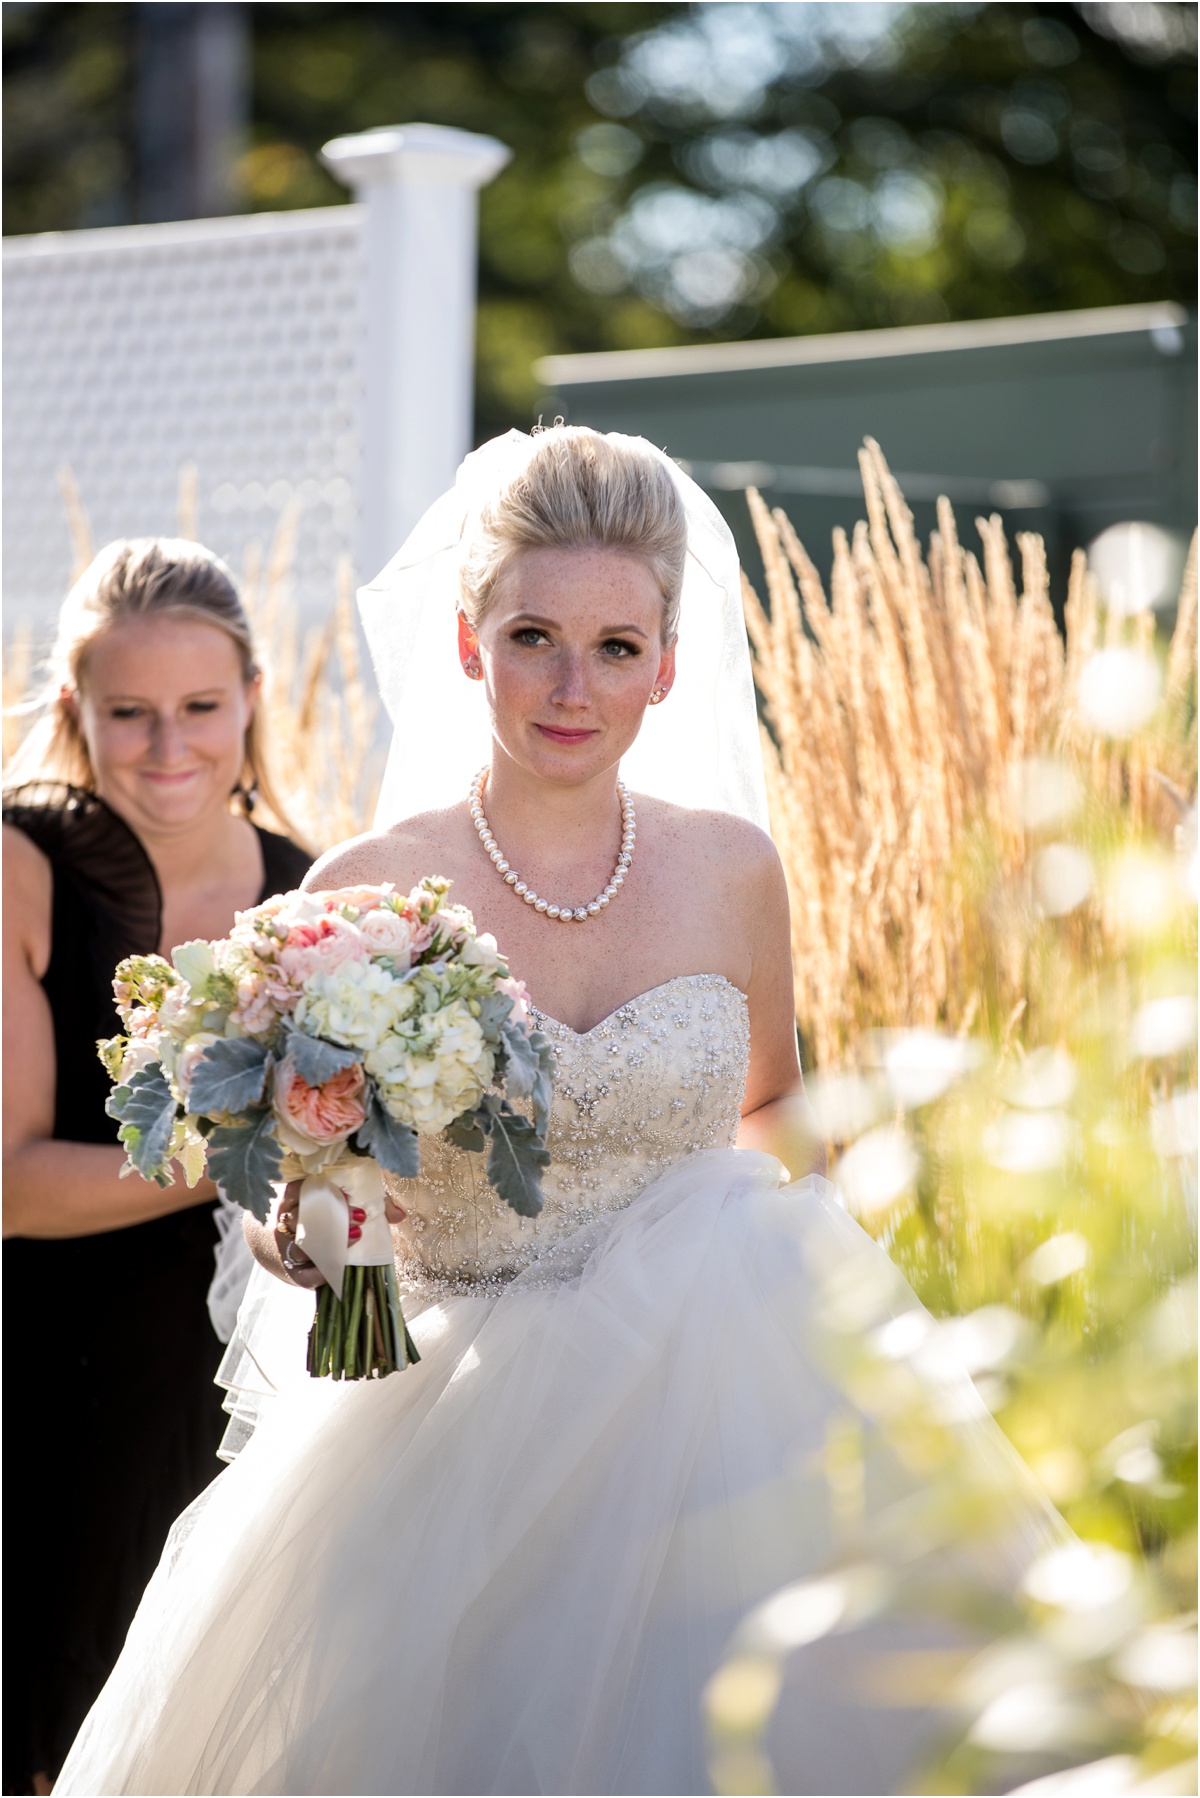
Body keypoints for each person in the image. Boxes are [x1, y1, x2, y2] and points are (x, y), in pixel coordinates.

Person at [55, 435, 1061, 1797]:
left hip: (722, 1406)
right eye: (533, 636)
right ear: (470, 644)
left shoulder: (732, 869)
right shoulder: (365, 892)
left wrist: (818, 1297)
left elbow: (770, 1100)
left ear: (667, 656)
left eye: (616, 645)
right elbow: (336, 1168)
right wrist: (328, 1251)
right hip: (456, 1424)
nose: (573, 687)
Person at [3, 539, 312, 1796]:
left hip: (250, 1380)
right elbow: (13, 1183)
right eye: (128, 712)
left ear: (251, 700)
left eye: (199, 708)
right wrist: (257, 1129)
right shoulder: (23, 865)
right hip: (54, 1372)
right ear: (75, 710)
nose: (167, 745)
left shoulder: (313, 893)